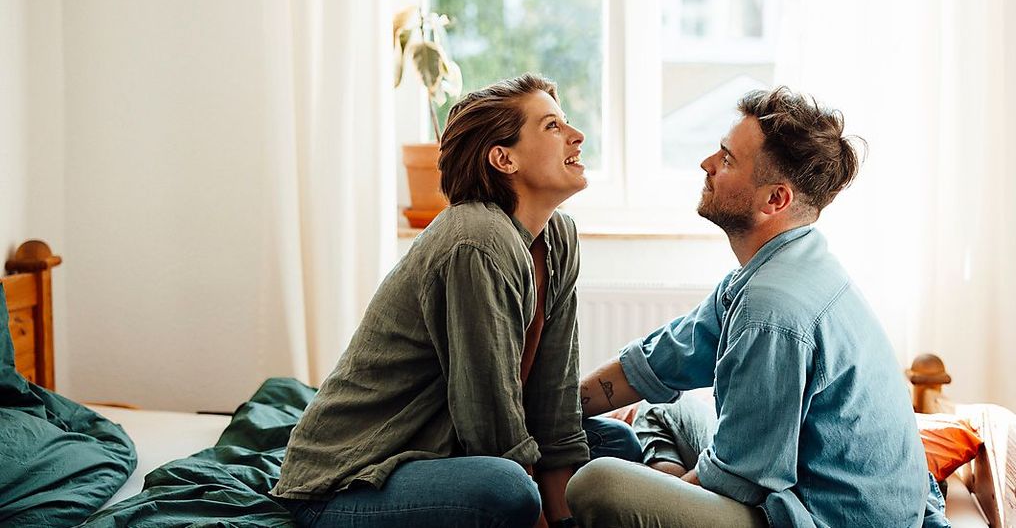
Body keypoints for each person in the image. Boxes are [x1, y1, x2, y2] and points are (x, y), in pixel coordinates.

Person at [272, 74, 639, 528]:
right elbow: (490, 421)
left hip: (440, 447)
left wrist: (563, 517)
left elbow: (553, 393)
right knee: (507, 489)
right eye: (551, 126)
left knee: (617, 447)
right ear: (504, 158)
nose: (576, 135)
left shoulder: (559, 238)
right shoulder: (476, 242)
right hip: (346, 480)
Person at [566, 87, 936, 528]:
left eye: (726, 159)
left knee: (596, 486)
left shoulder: (772, 311)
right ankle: (659, 476)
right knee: (662, 405)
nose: (707, 164)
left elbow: (741, 477)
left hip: (816, 517)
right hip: (785, 487)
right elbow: (657, 362)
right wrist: (550, 411)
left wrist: (654, 500)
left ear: (774, 199)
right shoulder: (782, 262)